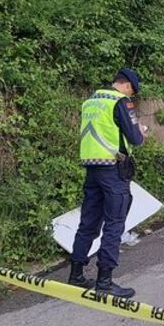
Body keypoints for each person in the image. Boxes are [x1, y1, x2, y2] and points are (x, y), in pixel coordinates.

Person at [69, 69, 146, 298]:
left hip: (92, 168)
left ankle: (76, 275)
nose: (131, 95)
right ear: (127, 86)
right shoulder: (120, 101)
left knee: (88, 222)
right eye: (132, 91)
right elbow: (135, 138)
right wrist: (141, 131)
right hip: (113, 170)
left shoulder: (90, 101)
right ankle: (105, 282)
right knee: (114, 223)